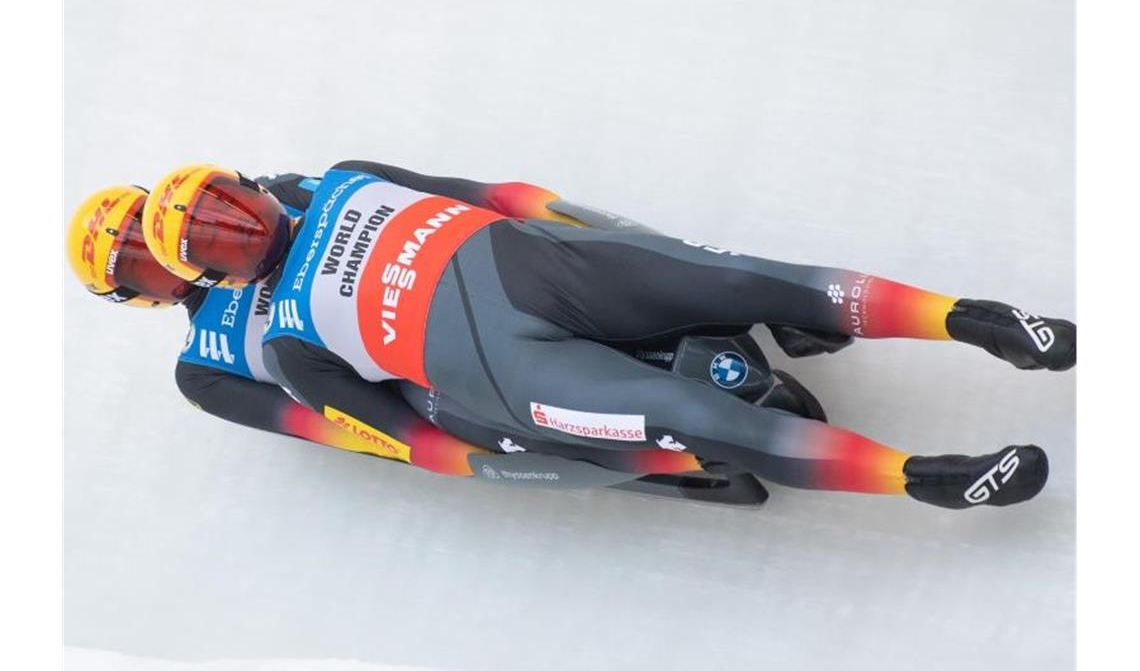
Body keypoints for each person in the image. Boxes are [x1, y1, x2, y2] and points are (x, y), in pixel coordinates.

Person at [138, 160, 1075, 510]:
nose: (240, 231)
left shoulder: (341, 179)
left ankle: (975, 320)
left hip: (539, 264)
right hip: (506, 372)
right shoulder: (287, 343)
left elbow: (490, 195)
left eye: (231, 207)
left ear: (250, 182)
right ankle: (926, 479)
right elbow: (388, 432)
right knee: (681, 414)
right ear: (190, 281)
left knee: (746, 277)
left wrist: (611, 231)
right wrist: (497, 453)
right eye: (214, 241)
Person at [69, 177, 806, 503]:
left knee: (529, 246)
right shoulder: (203, 371)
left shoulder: (279, 197)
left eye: (151, 241)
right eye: (142, 267)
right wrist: (432, 452)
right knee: (449, 399)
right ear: (141, 295)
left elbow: (438, 201)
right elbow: (328, 424)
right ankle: (650, 441)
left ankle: (714, 286)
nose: (182, 257)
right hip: (401, 374)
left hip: (463, 284)